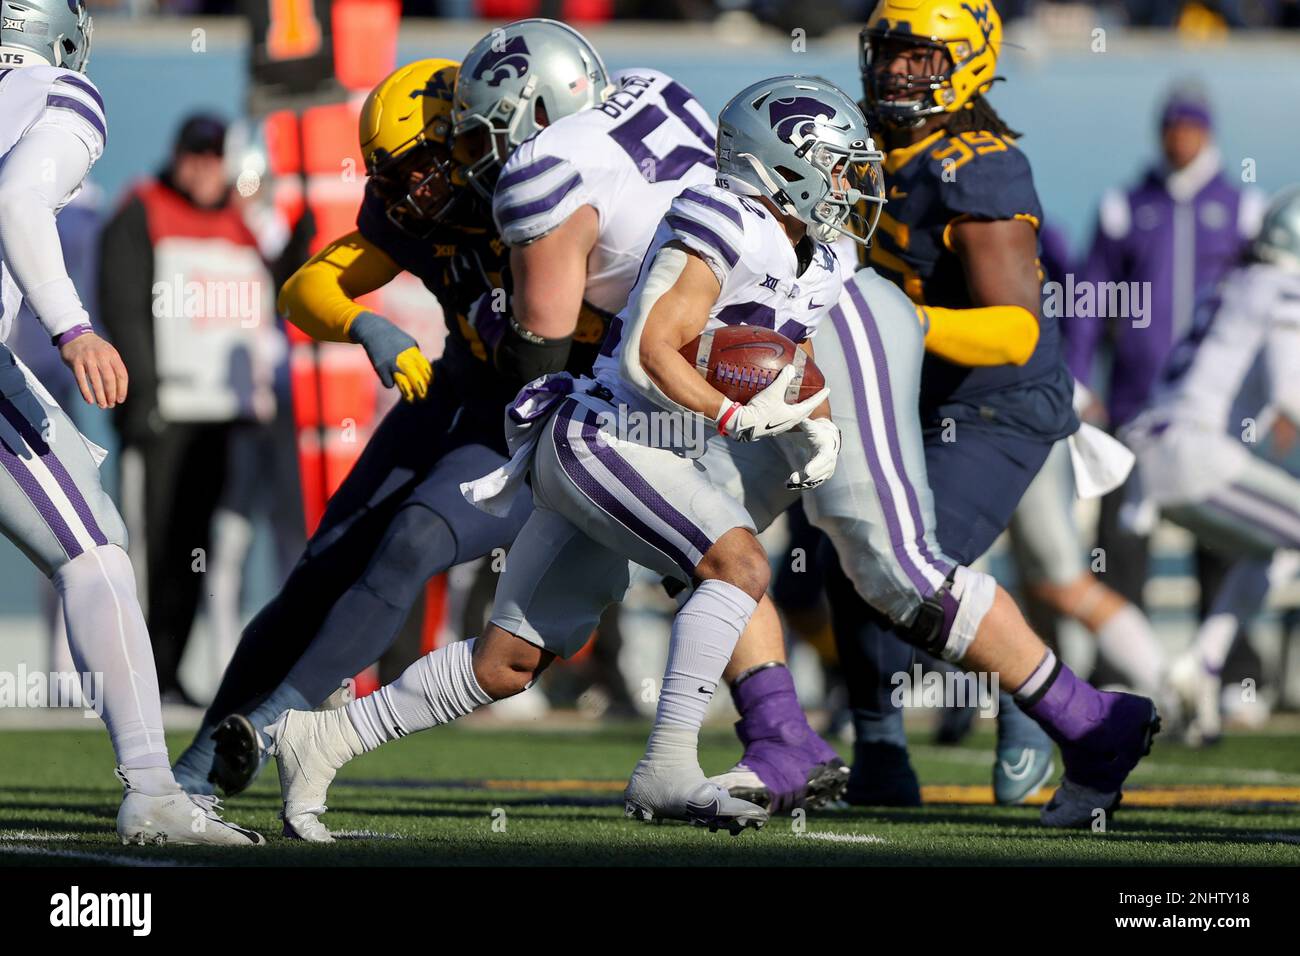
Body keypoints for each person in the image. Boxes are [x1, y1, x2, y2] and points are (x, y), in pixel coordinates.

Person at [262, 73, 860, 838]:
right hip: (604, 431)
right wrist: (734, 413)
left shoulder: (824, 255)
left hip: (647, 450)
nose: (849, 185)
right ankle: (670, 767)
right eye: (838, 166)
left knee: (507, 661)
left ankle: (322, 739)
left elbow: (784, 352)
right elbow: (650, 354)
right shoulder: (724, 217)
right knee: (737, 564)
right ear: (783, 165)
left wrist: (816, 423)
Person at [0, 0, 260, 845]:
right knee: (97, 558)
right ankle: (151, 788)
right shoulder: (62, 95)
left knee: (98, 521)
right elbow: (16, 198)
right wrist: (72, 326)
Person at [832, 0, 1078, 805]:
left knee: (906, 565)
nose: (897, 69)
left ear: (967, 63)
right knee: (838, 567)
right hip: (900, 394)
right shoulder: (857, 141)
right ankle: (880, 751)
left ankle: (1031, 693)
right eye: (889, 51)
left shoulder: (978, 164)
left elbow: (1011, 331)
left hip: (994, 403)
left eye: (920, 56)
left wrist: (900, 319)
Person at [97, 111, 297, 704]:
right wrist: (142, 402)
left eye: (215, 159)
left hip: (223, 415)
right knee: (149, 550)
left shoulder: (246, 219)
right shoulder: (143, 207)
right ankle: (131, 682)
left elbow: (289, 277)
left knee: (194, 554)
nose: (203, 170)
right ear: (178, 154)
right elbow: (124, 306)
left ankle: (167, 672)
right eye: (195, 156)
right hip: (166, 412)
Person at [1067, 83, 1265, 618]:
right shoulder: (1124, 208)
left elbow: (1269, 315)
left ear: (1207, 131)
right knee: (1121, 547)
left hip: (1216, 414)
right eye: (1171, 127)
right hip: (1136, 408)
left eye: (1190, 126)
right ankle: (1124, 679)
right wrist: (1080, 382)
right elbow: (1088, 301)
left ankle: (1231, 677)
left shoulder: (1244, 210)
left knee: (1222, 541)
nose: (1180, 138)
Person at [1124, 187, 1300, 744]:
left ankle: (1201, 665)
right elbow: (1292, 396)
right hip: (1194, 455)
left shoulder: (1230, 284)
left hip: (1153, 448)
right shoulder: (1284, 288)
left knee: (1263, 552)